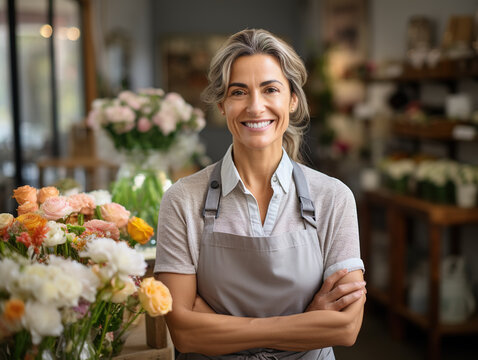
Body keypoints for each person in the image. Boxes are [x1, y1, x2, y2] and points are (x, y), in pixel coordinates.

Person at [154, 28, 366, 360]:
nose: (255, 106)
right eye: (239, 92)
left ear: (292, 100)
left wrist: (218, 324)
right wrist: (308, 322)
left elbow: (346, 328)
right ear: (222, 105)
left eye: (270, 89)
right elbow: (183, 332)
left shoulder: (333, 197)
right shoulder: (182, 200)